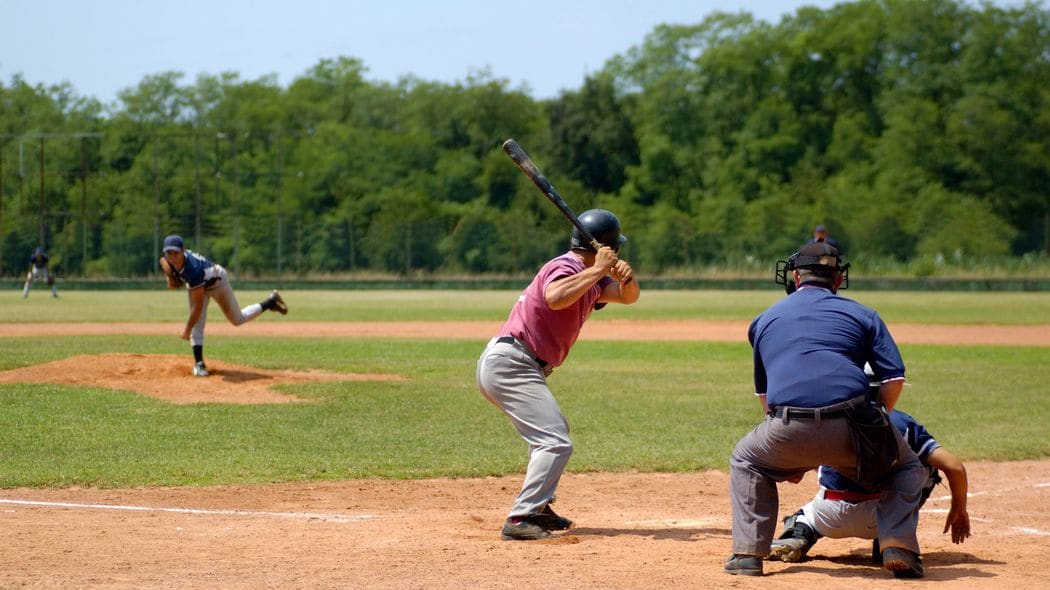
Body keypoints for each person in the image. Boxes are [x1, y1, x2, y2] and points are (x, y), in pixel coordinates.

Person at [725, 240, 927, 578]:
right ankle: (897, 545)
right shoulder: (864, 314)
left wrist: (792, 453)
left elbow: (766, 397)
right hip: (853, 425)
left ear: (794, 276)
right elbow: (893, 380)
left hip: (786, 426)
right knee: (907, 467)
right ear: (837, 280)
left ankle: (747, 555)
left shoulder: (764, 319)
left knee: (746, 460)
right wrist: (876, 427)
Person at [476, 209, 640, 541]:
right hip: (512, 362)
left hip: (517, 364)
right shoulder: (564, 267)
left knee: (553, 433)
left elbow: (628, 297)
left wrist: (626, 277)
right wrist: (597, 269)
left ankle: (540, 507)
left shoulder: (591, 278)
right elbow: (555, 297)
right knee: (554, 441)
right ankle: (522, 518)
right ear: (606, 247)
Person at [768, 380, 971, 563]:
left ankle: (797, 534)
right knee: (926, 464)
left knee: (807, 514)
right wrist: (958, 509)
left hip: (829, 516)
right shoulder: (901, 421)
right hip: (881, 517)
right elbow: (954, 466)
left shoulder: (827, 419)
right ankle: (893, 540)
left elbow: (794, 475)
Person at [160, 235, 288, 377]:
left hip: (217, 282)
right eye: (168, 252)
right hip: (197, 285)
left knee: (237, 319)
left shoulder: (193, 269)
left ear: (183, 250)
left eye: (175, 253)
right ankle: (199, 364)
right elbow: (164, 262)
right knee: (199, 324)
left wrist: (186, 330)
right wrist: (170, 277)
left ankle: (270, 302)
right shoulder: (168, 259)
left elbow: (197, 307)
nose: (171, 256)